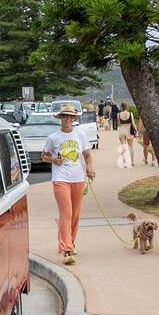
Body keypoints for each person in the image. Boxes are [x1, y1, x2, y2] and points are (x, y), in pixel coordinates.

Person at [43, 104, 95, 265]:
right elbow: (44, 155)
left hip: (78, 178)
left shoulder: (80, 135)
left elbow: (87, 155)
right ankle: (67, 249)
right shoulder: (53, 137)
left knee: (75, 214)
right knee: (66, 213)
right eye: (64, 116)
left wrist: (90, 169)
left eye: (70, 117)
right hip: (61, 179)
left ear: (73, 119)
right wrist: (54, 160)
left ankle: (70, 241)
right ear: (61, 118)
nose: (67, 119)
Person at [116, 102, 135, 168]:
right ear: (127, 106)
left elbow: (119, 124)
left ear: (121, 107)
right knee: (131, 147)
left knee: (124, 147)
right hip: (129, 130)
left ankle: (125, 162)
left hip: (122, 130)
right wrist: (136, 131)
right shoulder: (130, 114)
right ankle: (132, 162)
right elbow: (133, 123)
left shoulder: (118, 114)